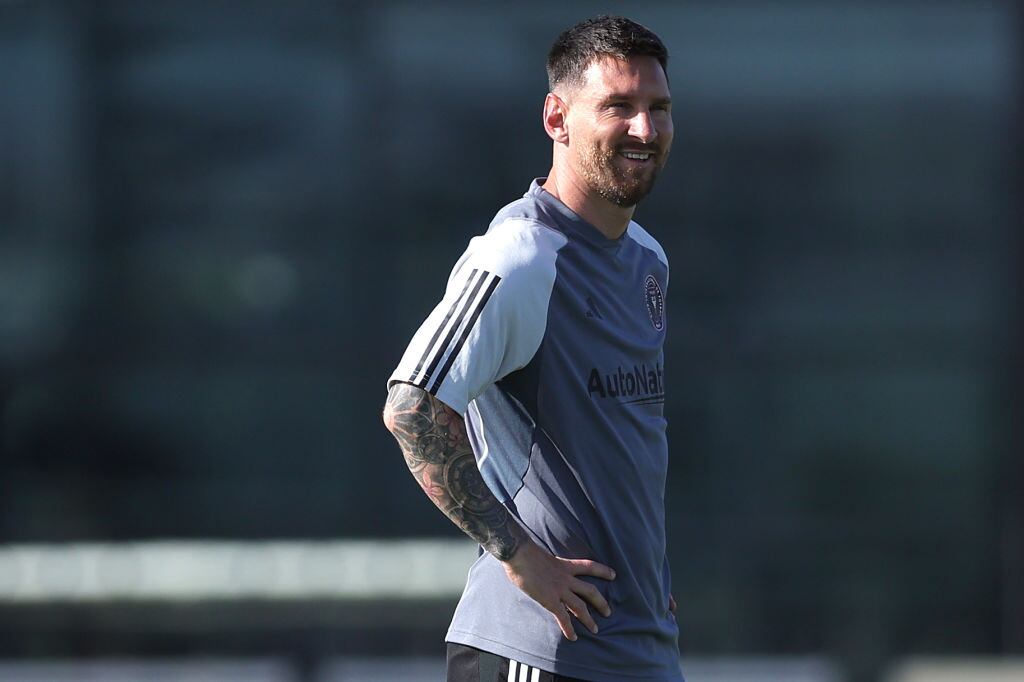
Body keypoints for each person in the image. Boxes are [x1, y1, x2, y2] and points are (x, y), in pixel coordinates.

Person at [383, 15, 682, 682]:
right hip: (541, 653)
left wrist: (645, 574)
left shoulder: (648, 260)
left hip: (640, 647)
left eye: (657, 108)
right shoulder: (520, 256)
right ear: (557, 118)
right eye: (618, 107)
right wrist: (523, 558)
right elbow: (412, 406)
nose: (644, 129)